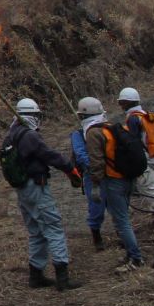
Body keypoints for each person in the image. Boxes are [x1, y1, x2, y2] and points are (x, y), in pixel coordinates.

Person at [3, 97, 83, 290]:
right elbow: (49, 155)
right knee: (53, 228)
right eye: (36, 115)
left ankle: (36, 276)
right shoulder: (30, 136)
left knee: (36, 231)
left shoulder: (11, 134)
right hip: (36, 187)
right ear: (30, 116)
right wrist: (69, 169)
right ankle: (62, 278)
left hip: (22, 190)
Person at [85, 95, 146, 271]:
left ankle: (135, 258)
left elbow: (96, 162)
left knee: (121, 221)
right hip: (128, 178)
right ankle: (130, 253)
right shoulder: (111, 127)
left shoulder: (93, 133)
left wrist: (95, 184)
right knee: (124, 217)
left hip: (113, 181)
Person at [117, 86, 154, 226]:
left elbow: (133, 141)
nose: (121, 105)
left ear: (128, 102)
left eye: (122, 102)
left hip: (144, 157)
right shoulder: (144, 114)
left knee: (149, 186)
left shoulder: (133, 119)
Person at [70, 97, 107, 248]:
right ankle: (96, 235)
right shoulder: (79, 134)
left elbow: (80, 154)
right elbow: (81, 154)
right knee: (97, 206)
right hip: (94, 174)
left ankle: (118, 233)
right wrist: (95, 167)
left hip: (105, 172)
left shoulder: (104, 128)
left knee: (111, 205)